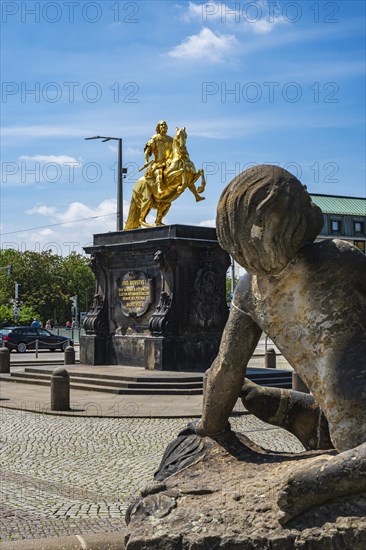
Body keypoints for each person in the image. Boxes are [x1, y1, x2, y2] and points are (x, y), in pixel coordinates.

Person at [195, 164, 366, 521]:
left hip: (345, 420)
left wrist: (209, 427)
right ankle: (323, 478)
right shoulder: (339, 258)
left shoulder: (248, 291)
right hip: (355, 421)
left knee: (263, 393)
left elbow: (225, 370)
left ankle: (306, 418)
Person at [144, 120, 173, 195]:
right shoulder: (154, 138)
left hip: (169, 163)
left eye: (165, 125)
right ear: (158, 128)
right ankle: (159, 189)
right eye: (161, 125)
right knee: (158, 172)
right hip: (158, 163)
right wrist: (146, 161)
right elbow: (147, 151)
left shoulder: (171, 139)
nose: (163, 126)